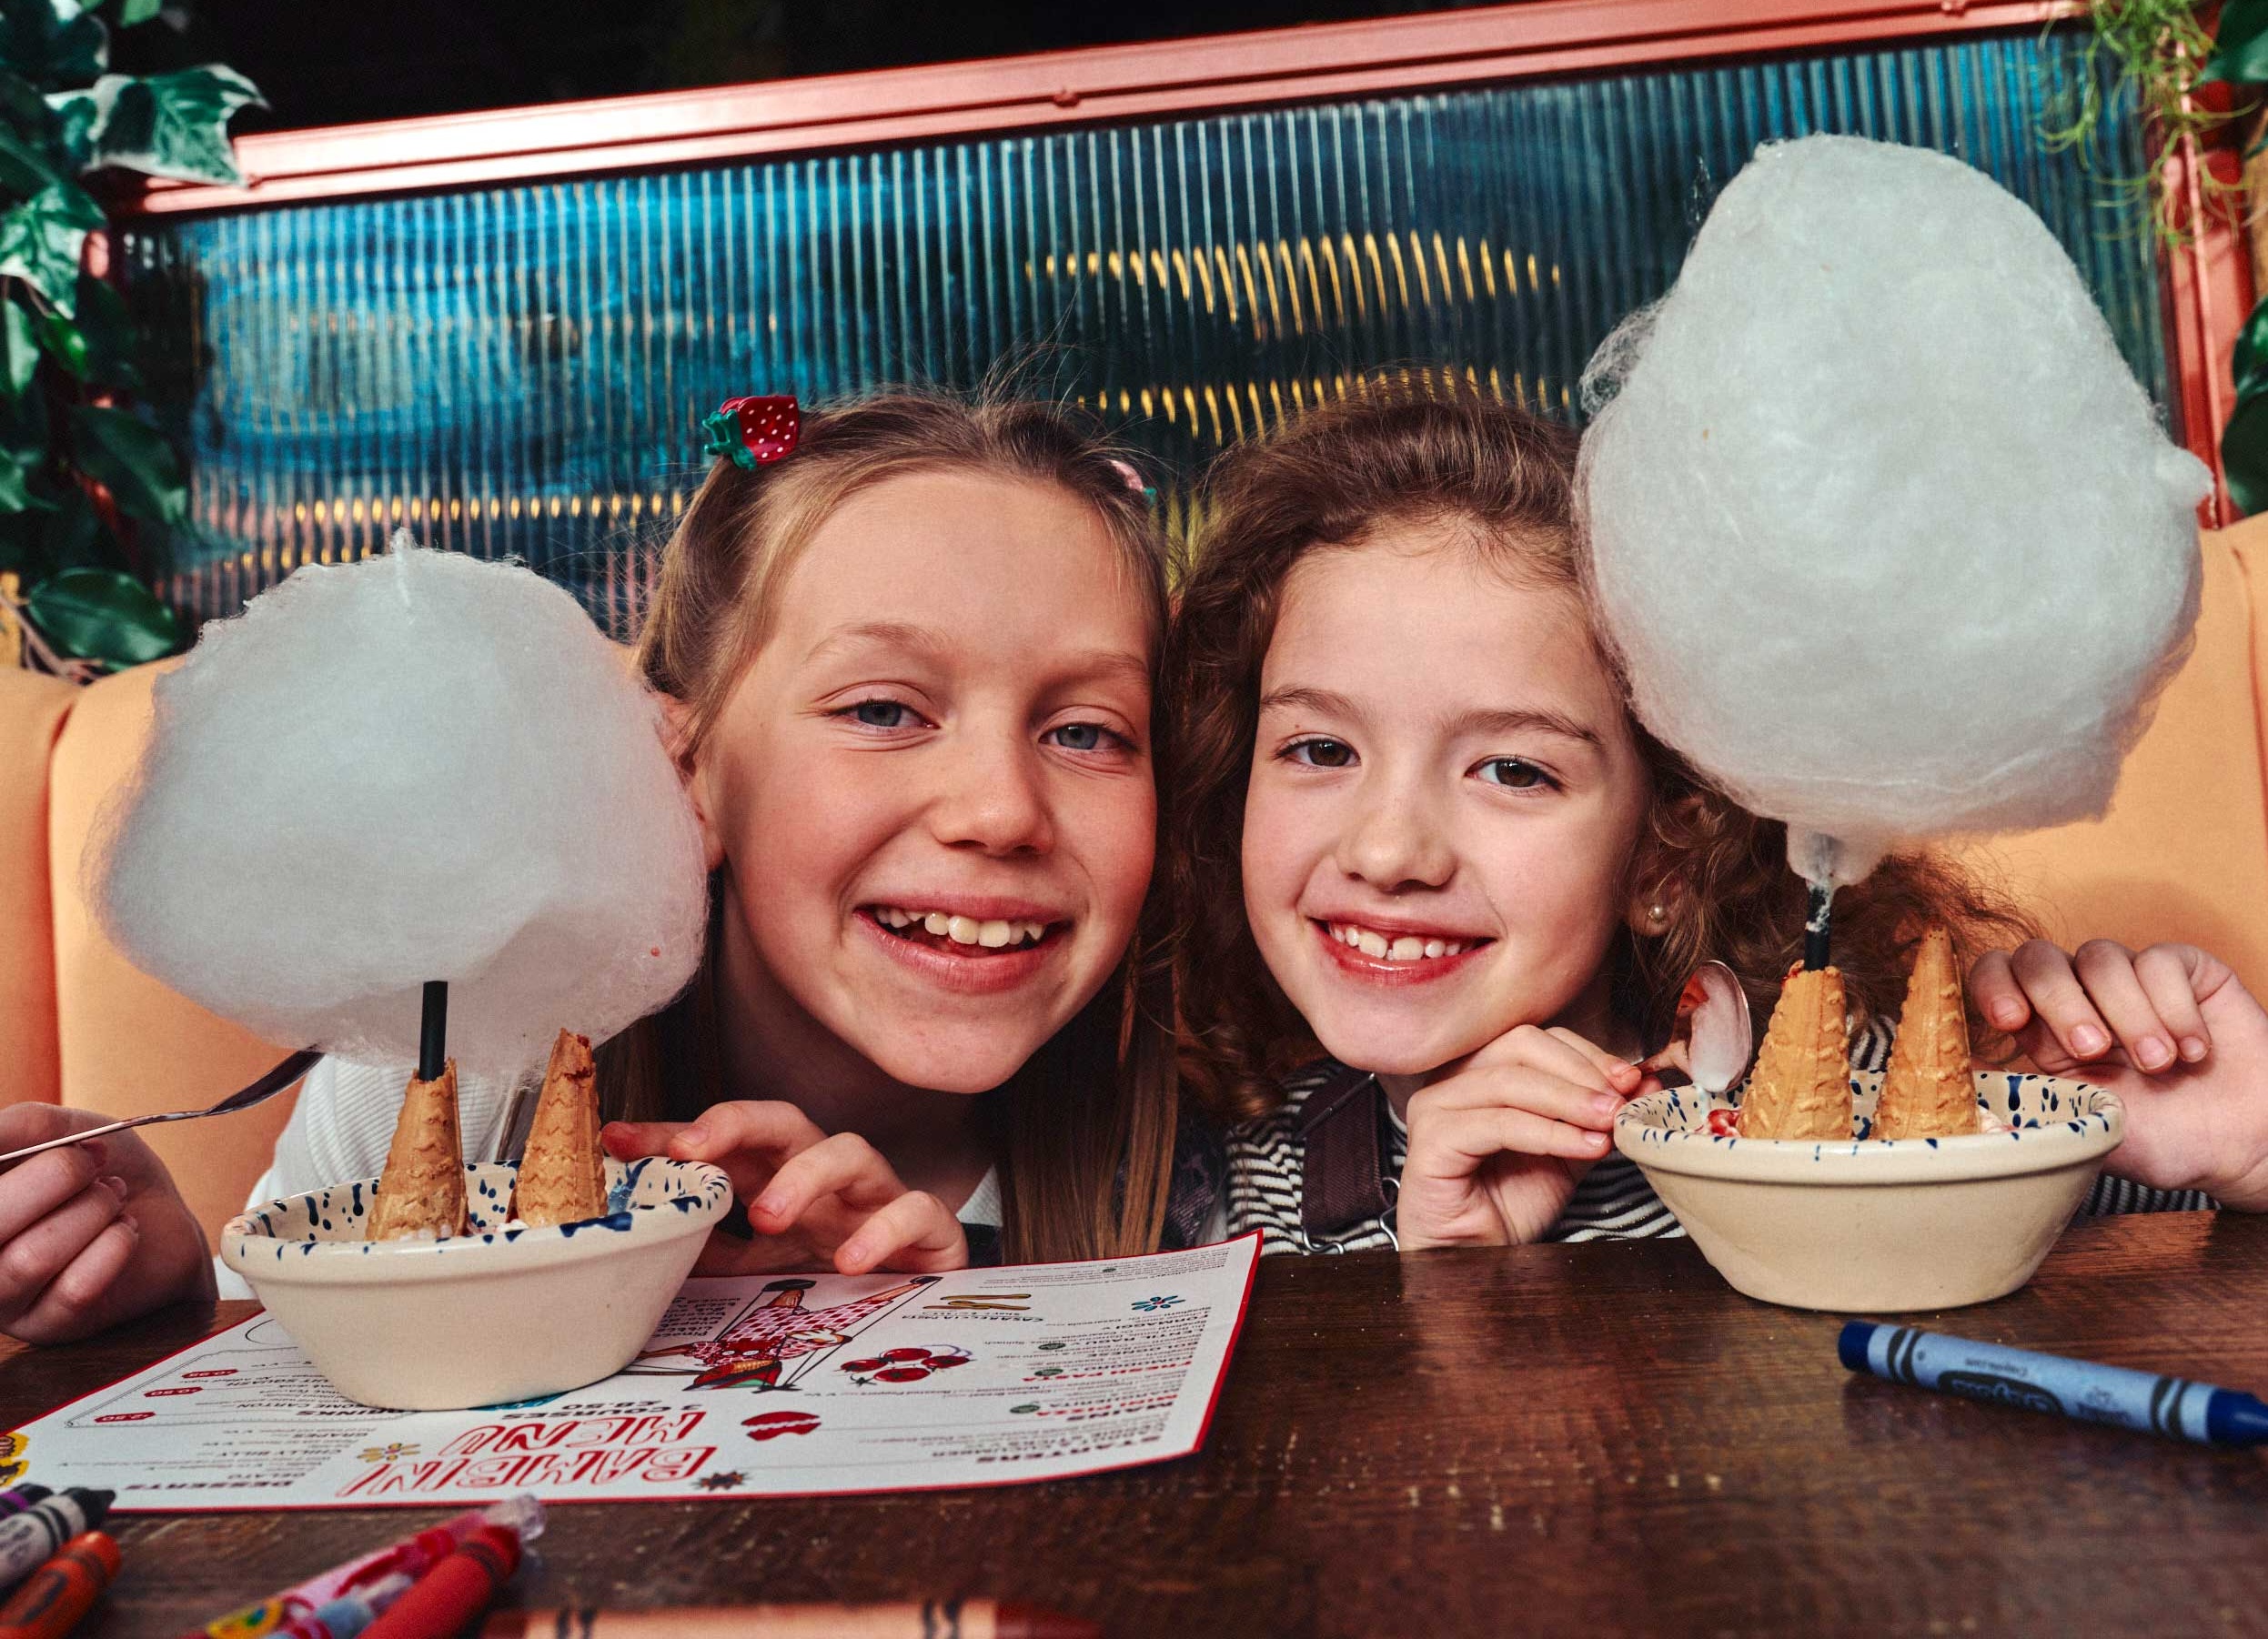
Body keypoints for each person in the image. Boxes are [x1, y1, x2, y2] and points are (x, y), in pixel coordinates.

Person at [0, 390, 1200, 1343]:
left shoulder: (1212, 1162)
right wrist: (171, 1293)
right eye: (884, 709)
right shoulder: (459, 1068)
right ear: (683, 771)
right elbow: (304, 1387)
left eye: (1088, 731)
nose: (1001, 810)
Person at [1160, 382, 2268, 1253]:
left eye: (1512, 769)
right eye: (1319, 749)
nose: (1387, 849)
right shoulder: (1239, 1197)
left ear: (1667, 855)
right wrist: (1449, 1285)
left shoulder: (1889, 1120)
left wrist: (2252, 1147)